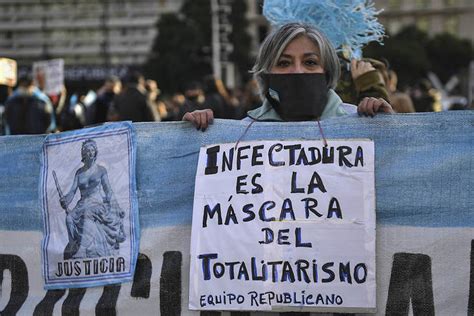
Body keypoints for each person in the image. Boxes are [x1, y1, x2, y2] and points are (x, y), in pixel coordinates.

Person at [183, 22, 393, 131]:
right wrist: (191, 137)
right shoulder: (244, 132)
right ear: (267, 74)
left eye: (310, 62)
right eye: (284, 63)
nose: (298, 71)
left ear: (327, 72)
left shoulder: (357, 122)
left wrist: (388, 129)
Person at [58, 139, 125, 259]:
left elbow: (108, 190)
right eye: (87, 150)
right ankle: (73, 245)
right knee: (69, 218)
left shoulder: (101, 170)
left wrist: (115, 205)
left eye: (92, 150)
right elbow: (72, 192)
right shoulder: (79, 173)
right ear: (83, 154)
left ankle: (83, 249)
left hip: (96, 203)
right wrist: (65, 200)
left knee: (87, 212)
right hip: (82, 203)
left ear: (95, 152)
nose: (90, 152)